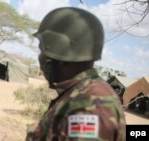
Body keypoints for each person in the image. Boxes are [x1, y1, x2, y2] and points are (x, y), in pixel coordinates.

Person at [26, 7, 126, 141]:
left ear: (59, 52)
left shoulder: (90, 105)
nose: (40, 58)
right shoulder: (81, 93)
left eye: (43, 50)